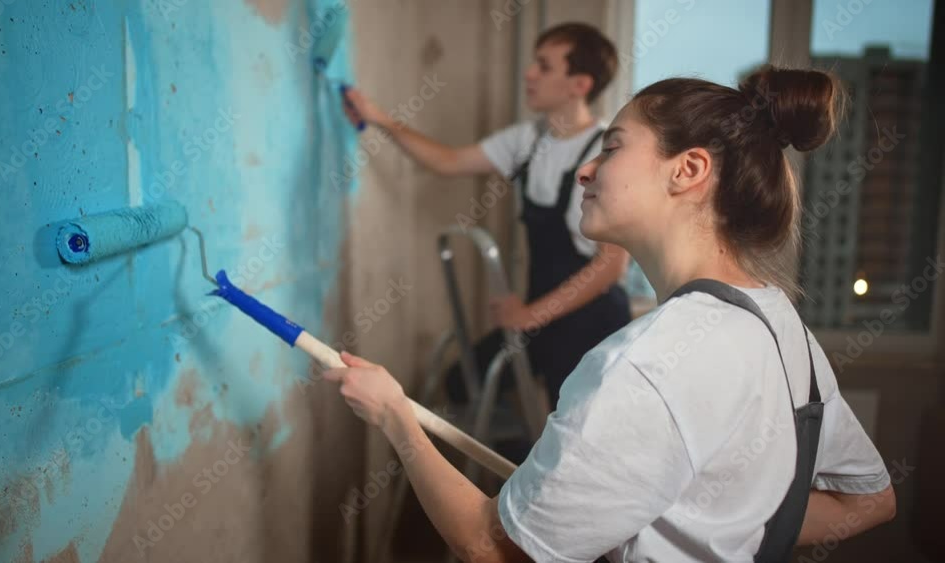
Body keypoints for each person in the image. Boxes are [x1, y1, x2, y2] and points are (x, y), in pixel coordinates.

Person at [323, 64, 897, 562]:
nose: (586, 170)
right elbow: (869, 500)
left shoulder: (646, 365)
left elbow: (489, 548)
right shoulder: (783, 328)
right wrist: (706, 524)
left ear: (688, 170)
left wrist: (396, 415)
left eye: (614, 147)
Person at [342, 23, 634, 410]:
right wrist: (378, 117)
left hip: (591, 321)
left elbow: (611, 266)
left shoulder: (603, 152)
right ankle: (509, 467)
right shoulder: (528, 140)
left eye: (544, 67)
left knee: (575, 426)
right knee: (464, 383)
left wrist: (531, 314)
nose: (529, 74)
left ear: (579, 84)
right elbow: (447, 161)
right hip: (540, 315)